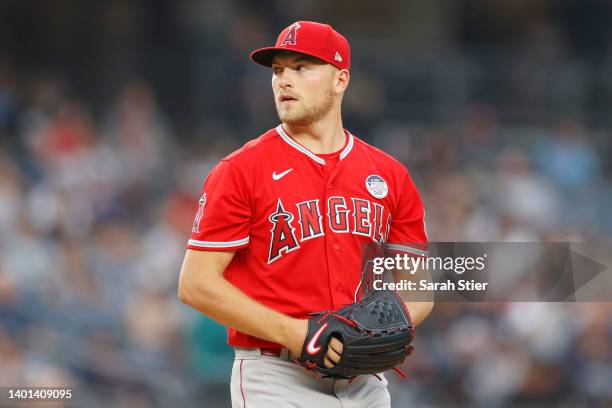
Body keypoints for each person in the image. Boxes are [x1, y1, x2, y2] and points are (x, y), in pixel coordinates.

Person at [178, 20, 433, 407]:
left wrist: (382, 331)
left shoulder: (390, 175)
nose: (284, 80)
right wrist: (297, 333)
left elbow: (419, 288)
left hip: (365, 381)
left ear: (340, 79)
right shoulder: (241, 170)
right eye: (279, 70)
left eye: (302, 67)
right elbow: (196, 284)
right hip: (277, 376)